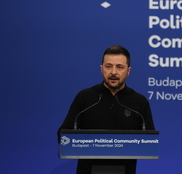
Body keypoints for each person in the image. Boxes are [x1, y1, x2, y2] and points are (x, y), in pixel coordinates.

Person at [58, 45, 155, 174]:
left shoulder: (139, 102)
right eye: (108, 66)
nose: (113, 72)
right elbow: (64, 134)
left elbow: (150, 141)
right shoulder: (85, 97)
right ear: (101, 69)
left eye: (119, 67)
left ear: (128, 71)